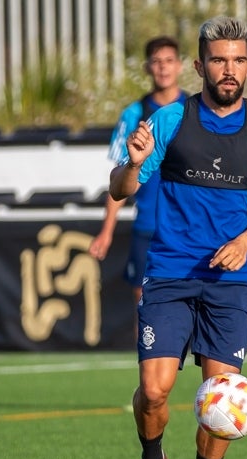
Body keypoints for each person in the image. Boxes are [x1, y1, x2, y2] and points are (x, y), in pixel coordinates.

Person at [109, 16, 247, 459]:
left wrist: (246, 240)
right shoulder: (169, 121)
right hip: (169, 273)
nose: (228, 69)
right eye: (218, 60)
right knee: (154, 390)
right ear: (199, 66)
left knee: (221, 397)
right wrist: (130, 164)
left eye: (237, 60)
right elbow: (120, 190)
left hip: (229, 283)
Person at [89, 36, 187, 311]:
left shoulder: (194, 111)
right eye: (156, 62)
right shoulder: (135, 114)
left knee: (191, 306)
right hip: (148, 226)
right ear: (147, 68)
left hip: (189, 227)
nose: (163, 68)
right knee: (145, 306)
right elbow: (119, 178)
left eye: (169, 61)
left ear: (180, 66)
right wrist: (106, 232)